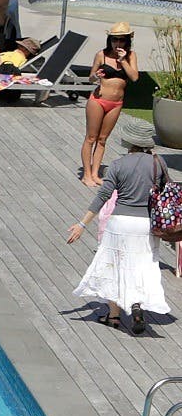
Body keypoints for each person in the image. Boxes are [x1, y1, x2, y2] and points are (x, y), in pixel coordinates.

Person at [67, 114, 168, 335]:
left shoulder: (118, 164)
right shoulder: (158, 163)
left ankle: (113, 316)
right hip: (146, 224)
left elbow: (103, 195)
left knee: (112, 266)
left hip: (119, 223)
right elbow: (163, 193)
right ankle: (137, 306)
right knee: (142, 266)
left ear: (129, 142)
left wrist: (81, 224)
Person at [80, 23, 140, 186]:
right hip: (98, 100)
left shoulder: (131, 56)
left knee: (102, 139)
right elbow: (90, 77)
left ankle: (95, 173)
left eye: (121, 40)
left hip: (116, 103)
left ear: (127, 41)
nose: (117, 44)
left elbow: (134, 77)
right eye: (114, 40)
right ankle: (86, 174)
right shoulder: (102, 55)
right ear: (110, 40)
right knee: (91, 137)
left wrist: (123, 61)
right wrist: (95, 76)